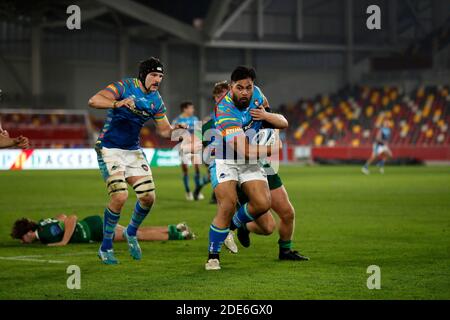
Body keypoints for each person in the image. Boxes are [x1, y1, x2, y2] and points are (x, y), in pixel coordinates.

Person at [88, 57, 186, 264]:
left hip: (132, 150)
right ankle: (105, 247)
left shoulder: (156, 100)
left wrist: (174, 131)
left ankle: (130, 232)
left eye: (160, 76)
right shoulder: (124, 86)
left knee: (149, 197)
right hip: (109, 148)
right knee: (120, 196)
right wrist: (117, 102)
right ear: (143, 75)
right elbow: (94, 100)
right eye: (154, 75)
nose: (157, 79)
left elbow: (163, 130)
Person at [205, 66, 287, 271]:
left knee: (263, 203)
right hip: (226, 158)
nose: (245, 92)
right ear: (232, 87)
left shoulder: (257, 94)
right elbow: (246, 150)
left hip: (248, 158)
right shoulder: (225, 111)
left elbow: (276, 118)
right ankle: (213, 256)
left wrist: (268, 119)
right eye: (239, 88)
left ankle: (231, 228)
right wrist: (272, 148)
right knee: (228, 204)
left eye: (248, 87)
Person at [11, 214, 195, 246]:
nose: (22, 242)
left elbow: (71, 219)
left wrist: (64, 241)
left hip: (95, 229)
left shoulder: (43, 234)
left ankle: (180, 235)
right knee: (135, 230)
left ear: (27, 233)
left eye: (21, 238)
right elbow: (61, 216)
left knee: (136, 235)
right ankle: (176, 227)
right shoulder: (43, 223)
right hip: (93, 223)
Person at [172, 101, 204, 201]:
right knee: (185, 170)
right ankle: (188, 192)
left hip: (194, 147)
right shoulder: (177, 120)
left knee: (197, 168)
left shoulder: (195, 119)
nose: (192, 110)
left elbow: (199, 133)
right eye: (191, 108)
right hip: (184, 147)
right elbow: (173, 134)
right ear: (185, 109)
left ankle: (197, 192)